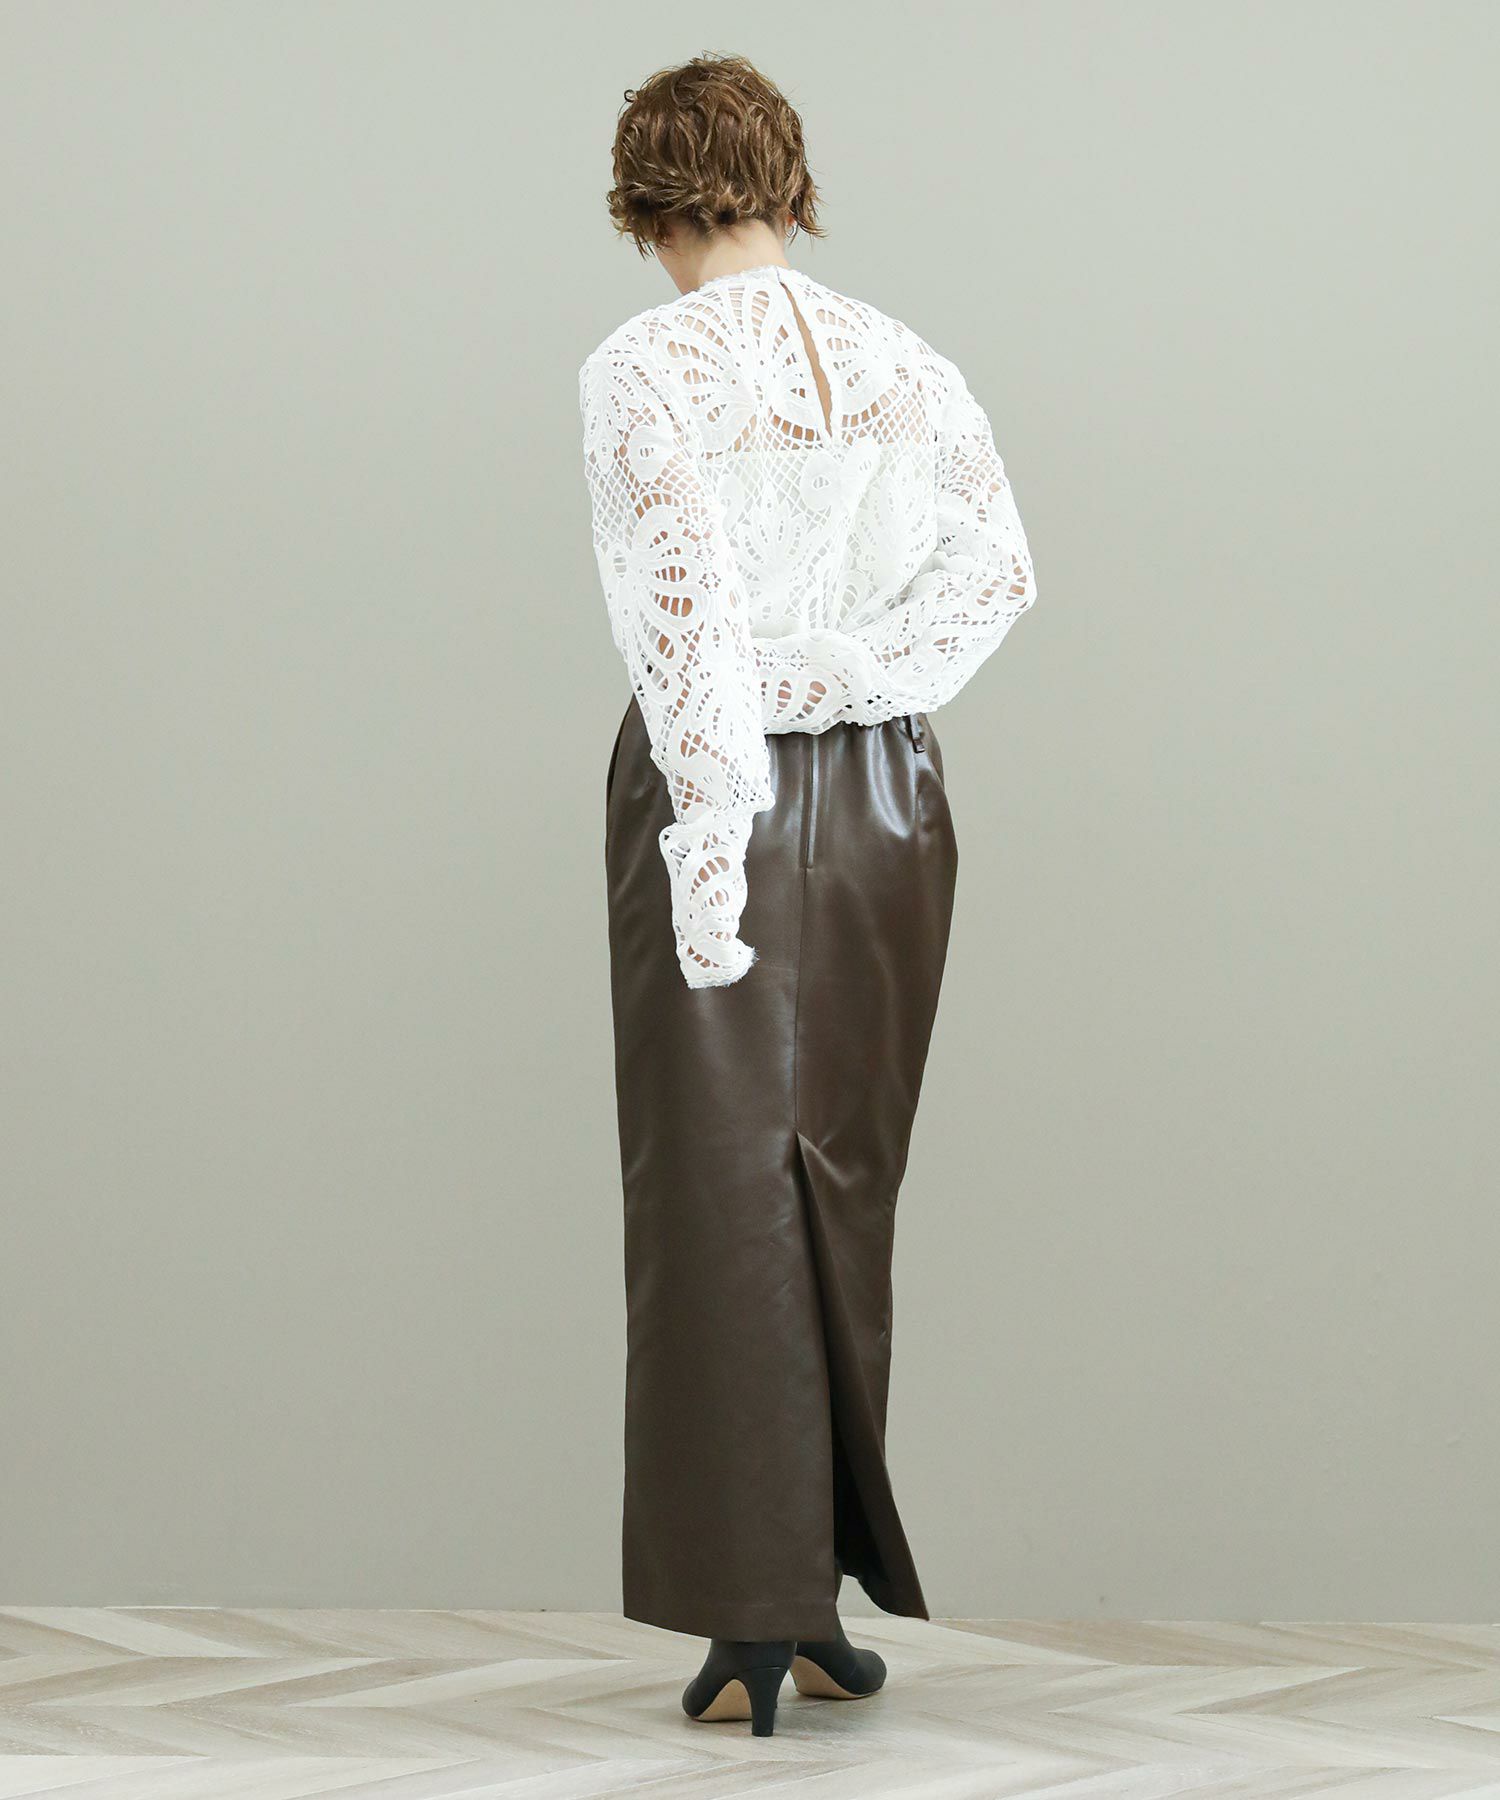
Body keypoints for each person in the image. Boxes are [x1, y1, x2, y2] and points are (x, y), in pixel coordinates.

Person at [578, 53, 1038, 1737]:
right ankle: (816, 1598)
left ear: (645, 199)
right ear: (788, 181)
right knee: (841, 1176)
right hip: (897, 794)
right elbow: (997, 575)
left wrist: (715, 841)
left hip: (726, 785)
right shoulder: (910, 359)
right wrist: (855, 675)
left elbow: (685, 616)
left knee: (717, 1194)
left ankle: (753, 1618)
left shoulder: (643, 367)